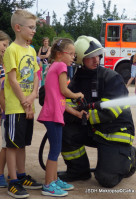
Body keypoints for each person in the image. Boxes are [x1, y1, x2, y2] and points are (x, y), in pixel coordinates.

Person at [58, 36, 136, 188]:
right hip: (94, 129)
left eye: (98, 55)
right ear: (81, 59)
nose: (96, 59)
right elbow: (66, 103)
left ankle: (128, 156)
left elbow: (110, 112)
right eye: (90, 57)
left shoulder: (112, 78)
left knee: (107, 179)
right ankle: (78, 171)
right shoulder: (77, 79)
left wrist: (79, 116)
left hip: (115, 132)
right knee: (64, 128)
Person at [37, 38, 84, 197]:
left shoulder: (53, 66)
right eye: (70, 54)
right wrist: (77, 95)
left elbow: (60, 100)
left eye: (74, 54)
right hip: (52, 116)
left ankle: (54, 179)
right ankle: (48, 185)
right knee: (55, 151)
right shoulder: (61, 66)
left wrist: (76, 113)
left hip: (52, 114)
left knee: (55, 149)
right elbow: (65, 91)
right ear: (59, 54)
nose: (73, 57)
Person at [3, 10, 42, 198]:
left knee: (22, 143)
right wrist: (24, 102)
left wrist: (34, 94)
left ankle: (21, 174)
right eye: (31, 27)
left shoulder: (32, 49)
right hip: (16, 106)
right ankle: (13, 181)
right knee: (12, 144)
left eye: (35, 27)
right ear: (18, 28)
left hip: (28, 104)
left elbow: (35, 76)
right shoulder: (11, 50)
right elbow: (12, 80)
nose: (34, 31)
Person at [0, 30, 10, 188]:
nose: (6, 48)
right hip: (3, 109)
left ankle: (1, 173)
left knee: (6, 144)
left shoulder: (4, 64)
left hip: (5, 109)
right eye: (4, 44)